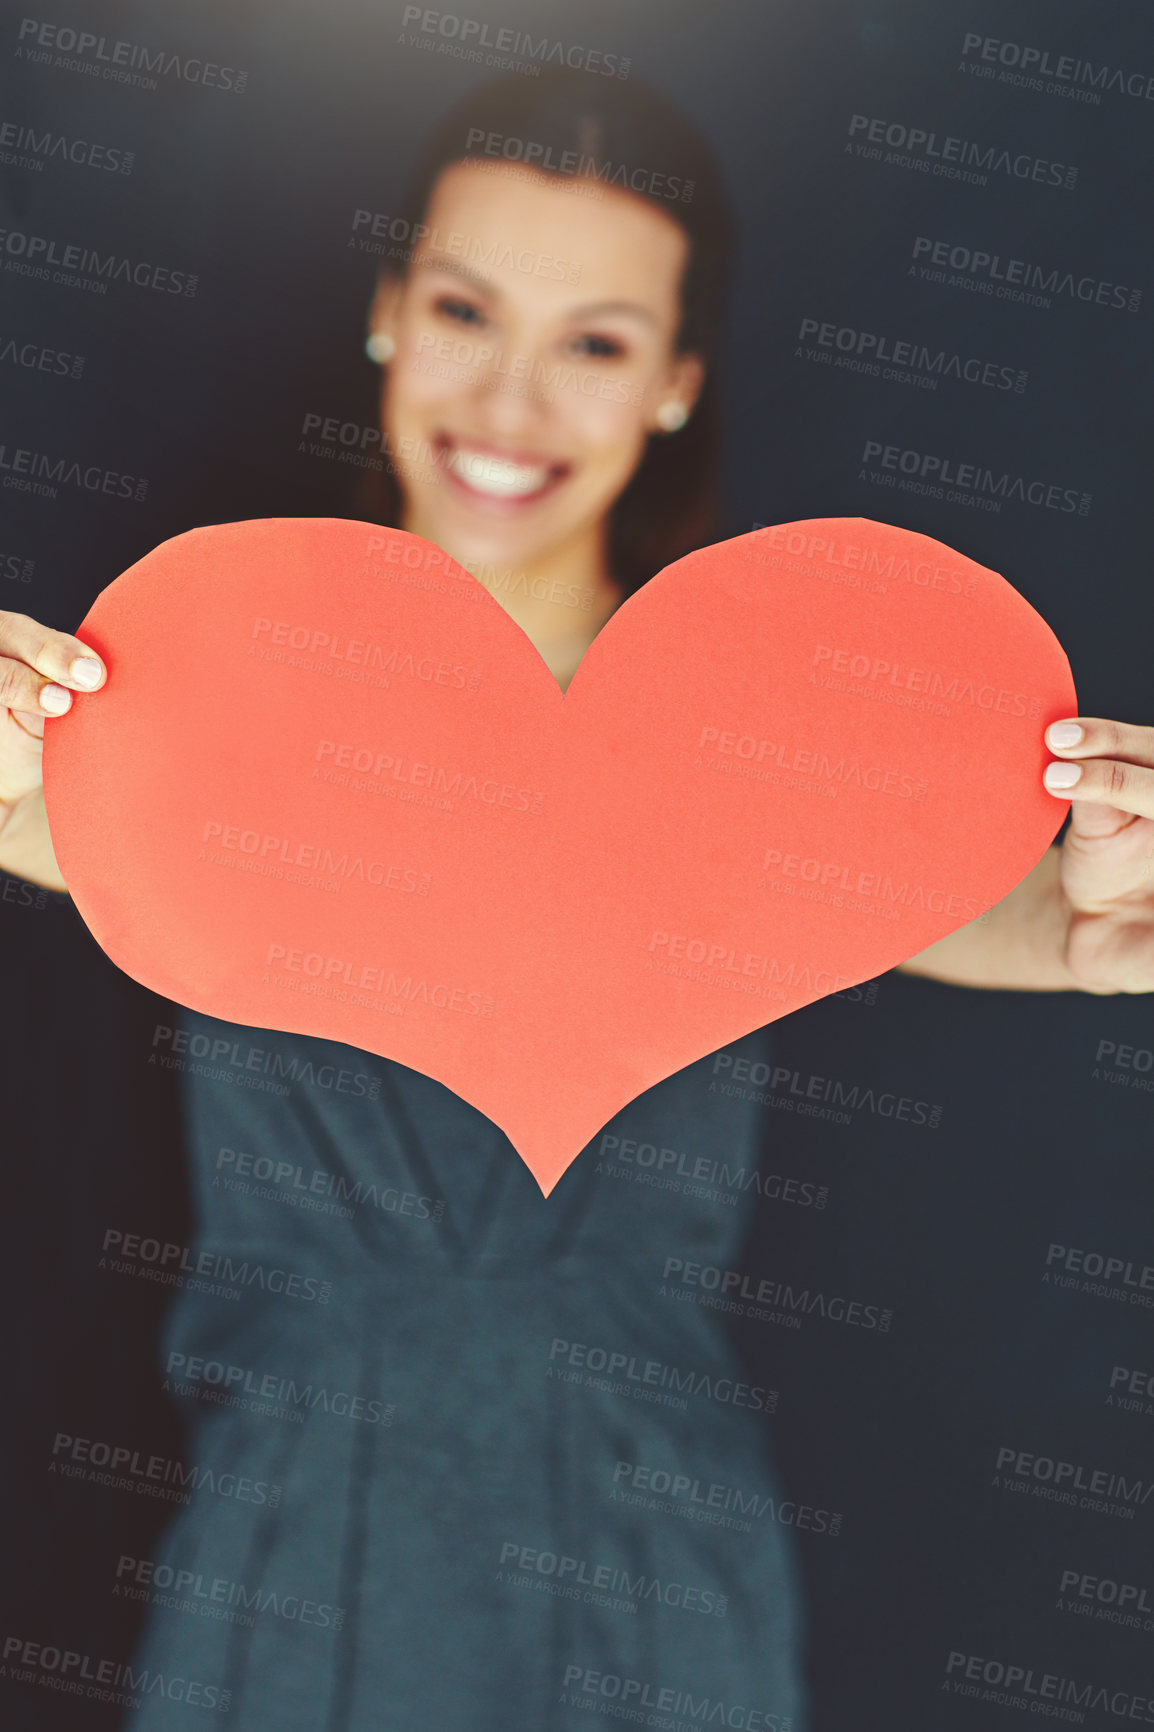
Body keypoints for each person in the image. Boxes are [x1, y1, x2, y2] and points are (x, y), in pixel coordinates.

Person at [0, 67, 1152, 1732]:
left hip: (648, 1572)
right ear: (390, 313)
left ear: (673, 385)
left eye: (595, 341)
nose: (512, 398)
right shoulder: (195, 703)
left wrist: (1098, 937)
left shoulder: (760, 726)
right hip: (294, 1560)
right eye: (469, 308)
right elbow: (53, 829)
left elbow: (958, 906)